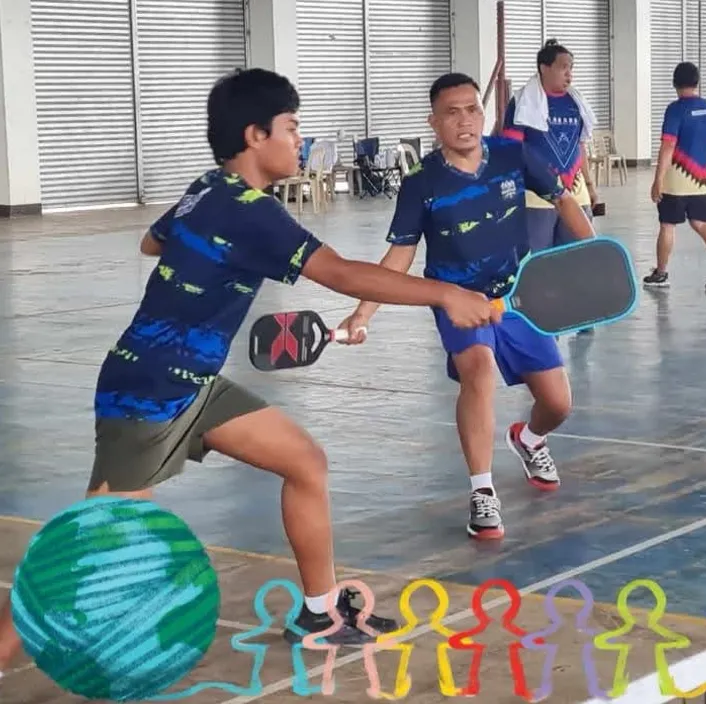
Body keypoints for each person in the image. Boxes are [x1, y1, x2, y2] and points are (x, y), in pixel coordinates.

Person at [0, 68, 503, 677]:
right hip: (149, 392)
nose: (300, 140)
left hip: (196, 383)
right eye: (291, 128)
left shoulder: (208, 188)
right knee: (89, 551)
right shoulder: (250, 212)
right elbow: (342, 273)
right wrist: (444, 293)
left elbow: (152, 244)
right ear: (255, 136)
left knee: (304, 462)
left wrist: (206, 255)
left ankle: (320, 615)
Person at [337, 72, 595, 541]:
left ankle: (529, 439)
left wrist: (597, 257)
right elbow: (400, 254)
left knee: (558, 404)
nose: (464, 120)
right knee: (478, 370)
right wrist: (363, 313)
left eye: (472, 109)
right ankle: (482, 491)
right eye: (451, 112)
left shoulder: (513, 155)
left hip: (519, 296)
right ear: (433, 122)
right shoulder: (421, 182)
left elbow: (563, 200)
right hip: (458, 300)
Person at [502, 39, 598, 253]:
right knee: (536, 258)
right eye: (563, 67)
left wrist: (590, 185)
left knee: (577, 255)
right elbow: (511, 149)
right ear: (544, 68)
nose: (569, 74)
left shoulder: (577, 103)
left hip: (575, 192)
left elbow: (579, 146)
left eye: (571, 68)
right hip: (536, 197)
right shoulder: (523, 103)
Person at [645, 61, 706, 291]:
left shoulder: (676, 110)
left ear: (674, 83)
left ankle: (661, 274)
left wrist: (658, 180)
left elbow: (668, 146)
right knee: (702, 224)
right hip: (702, 179)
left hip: (676, 180)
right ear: (697, 82)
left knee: (668, 224)